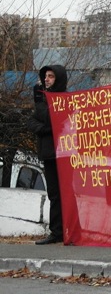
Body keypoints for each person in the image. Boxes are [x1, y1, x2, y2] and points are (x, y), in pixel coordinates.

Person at [28, 65, 68, 245]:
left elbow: (57, 120)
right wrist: (44, 128)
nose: (47, 79)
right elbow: (32, 121)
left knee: (66, 193)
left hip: (64, 153)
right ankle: (57, 231)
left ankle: (67, 230)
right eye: (45, 76)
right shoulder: (44, 99)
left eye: (51, 76)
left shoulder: (65, 99)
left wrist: (45, 125)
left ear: (58, 79)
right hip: (49, 153)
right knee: (53, 193)